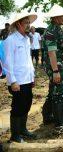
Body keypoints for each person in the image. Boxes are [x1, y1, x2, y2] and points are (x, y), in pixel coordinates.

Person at [3, 12, 37, 142]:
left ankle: (23, 129)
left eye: (29, 22)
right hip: (17, 81)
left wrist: (32, 76)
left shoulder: (26, 39)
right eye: (26, 23)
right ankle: (15, 135)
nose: (29, 25)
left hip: (27, 78)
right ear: (18, 24)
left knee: (27, 103)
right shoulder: (10, 40)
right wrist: (13, 81)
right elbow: (8, 63)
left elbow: (28, 60)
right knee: (18, 106)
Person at [41, 4, 63, 128]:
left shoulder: (58, 28)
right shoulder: (51, 31)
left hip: (60, 65)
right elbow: (51, 52)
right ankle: (59, 121)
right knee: (59, 92)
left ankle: (47, 117)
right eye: (62, 16)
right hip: (56, 67)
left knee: (53, 91)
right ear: (55, 17)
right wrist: (55, 70)